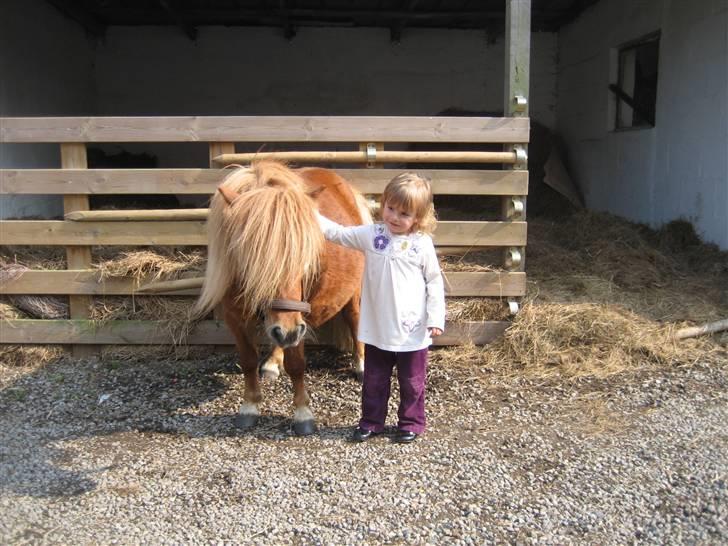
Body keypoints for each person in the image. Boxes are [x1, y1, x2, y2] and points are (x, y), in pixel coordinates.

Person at [317, 172, 446, 443]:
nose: (394, 217)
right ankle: (371, 421)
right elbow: (337, 233)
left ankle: (411, 422)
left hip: (412, 330)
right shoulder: (372, 235)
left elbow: (434, 282)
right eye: (390, 208)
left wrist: (436, 317)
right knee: (374, 380)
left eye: (404, 213)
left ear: (418, 218)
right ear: (383, 203)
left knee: (412, 382)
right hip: (377, 328)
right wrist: (307, 211)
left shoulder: (421, 245)